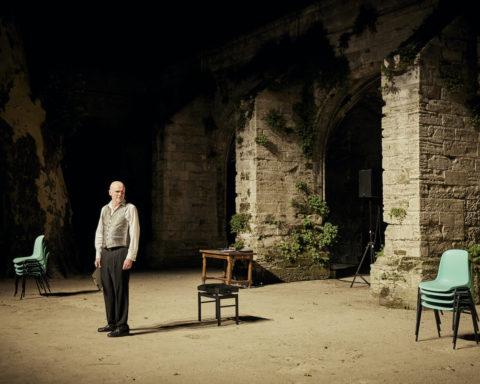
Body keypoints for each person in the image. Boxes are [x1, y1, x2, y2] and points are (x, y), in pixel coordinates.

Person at [94, 181, 140, 337]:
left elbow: (135, 234)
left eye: (122, 191)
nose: (120, 194)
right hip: (106, 253)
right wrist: (98, 254)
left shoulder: (129, 209)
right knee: (108, 289)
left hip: (121, 252)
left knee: (120, 290)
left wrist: (130, 256)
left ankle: (122, 325)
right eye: (117, 191)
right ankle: (111, 322)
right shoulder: (104, 210)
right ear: (110, 192)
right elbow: (100, 232)